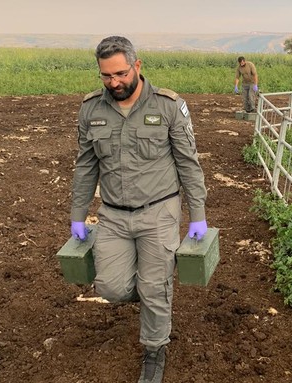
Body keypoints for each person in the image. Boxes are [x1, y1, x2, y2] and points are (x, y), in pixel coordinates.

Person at [69, 36, 207, 383]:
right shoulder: (91, 110)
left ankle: (154, 350)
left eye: (120, 73)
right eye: (105, 76)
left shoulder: (168, 106)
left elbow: (188, 163)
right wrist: (77, 213)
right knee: (111, 288)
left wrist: (198, 214)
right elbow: (86, 166)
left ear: (137, 66)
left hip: (159, 211)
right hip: (113, 214)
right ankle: (152, 292)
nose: (114, 82)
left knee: (154, 286)